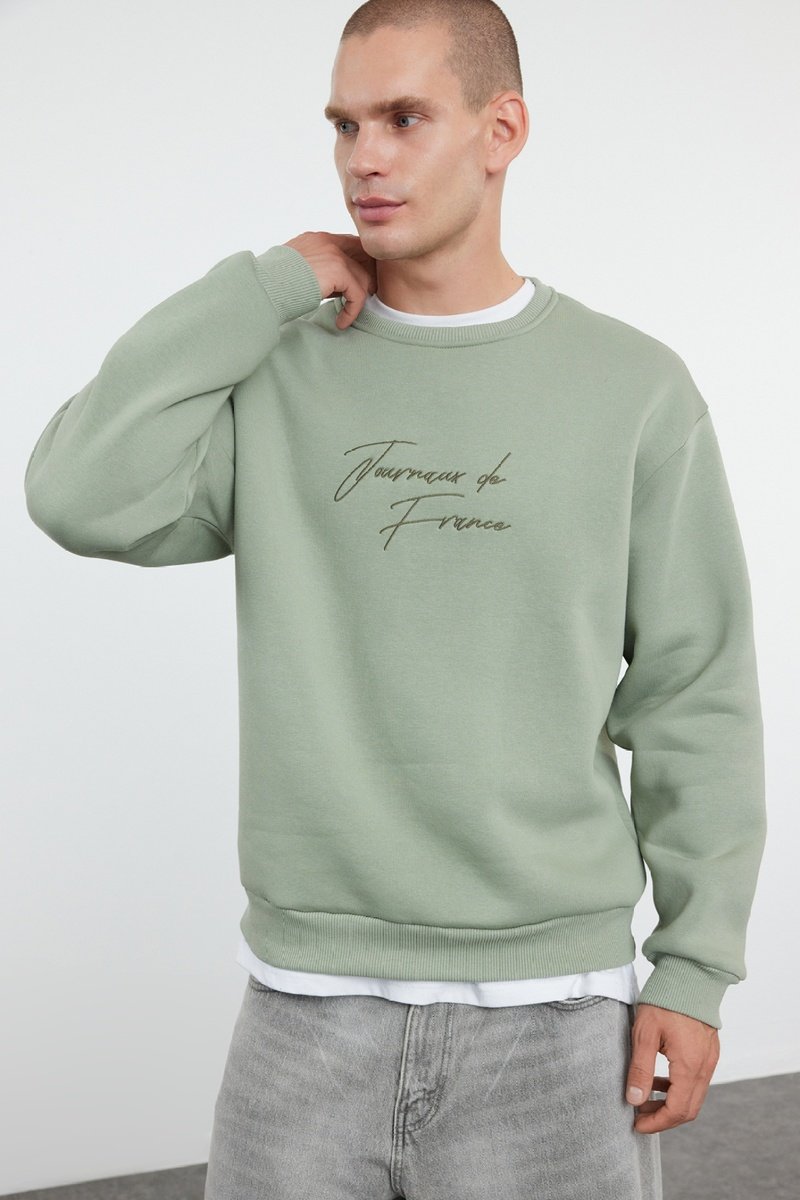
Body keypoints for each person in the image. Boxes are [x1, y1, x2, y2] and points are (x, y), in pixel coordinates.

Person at [24, 0, 766, 1197]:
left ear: (500, 129)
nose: (363, 156)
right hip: (303, 1020)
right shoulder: (277, 372)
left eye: (404, 118)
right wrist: (260, 289)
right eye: (344, 124)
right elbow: (77, 494)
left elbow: (695, 692)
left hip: (555, 1021)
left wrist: (693, 967)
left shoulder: (631, 390)